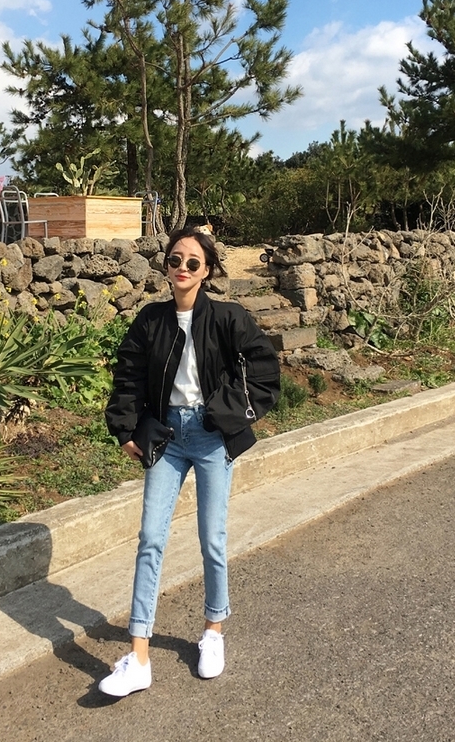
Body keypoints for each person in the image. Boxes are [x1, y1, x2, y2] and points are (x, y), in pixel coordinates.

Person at [100, 227, 281, 697]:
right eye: (175, 260)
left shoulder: (227, 317)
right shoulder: (151, 320)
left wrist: (230, 413)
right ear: (166, 267)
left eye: (193, 263)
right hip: (167, 438)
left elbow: (264, 369)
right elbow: (128, 374)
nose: (182, 268)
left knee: (212, 539)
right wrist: (125, 428)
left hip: (211, 436)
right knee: (150, 539)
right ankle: (138, 657)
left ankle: (213, 631)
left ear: (207, 271)